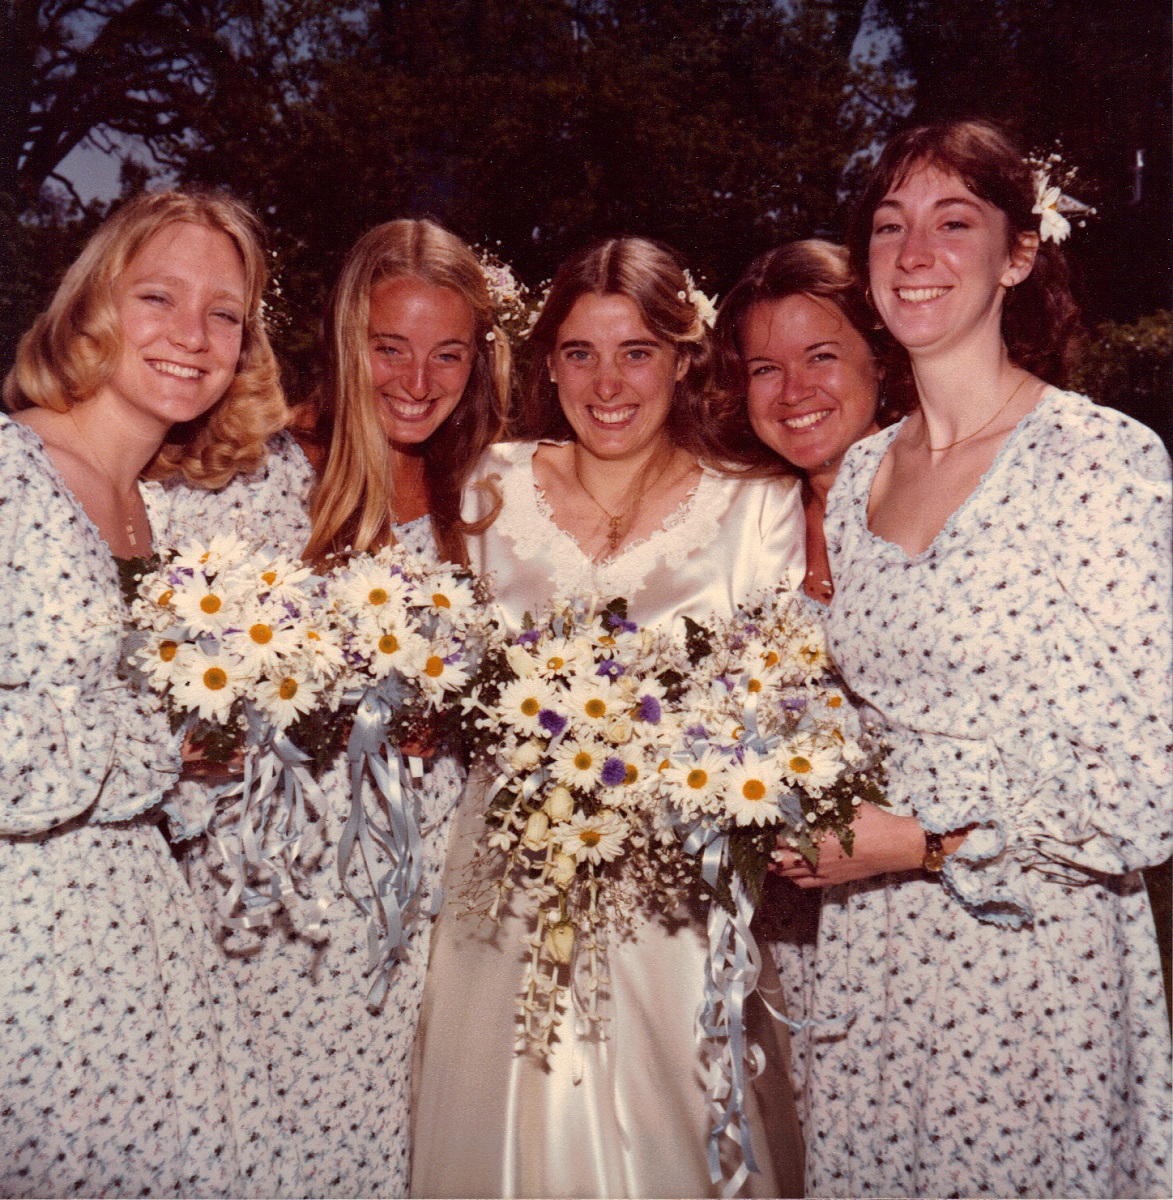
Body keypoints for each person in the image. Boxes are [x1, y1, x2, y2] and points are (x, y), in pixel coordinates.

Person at [772, 119, 1173, 1199]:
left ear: (1019, 254)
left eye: (955, 223)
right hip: (871, 961)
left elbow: (1145, 788)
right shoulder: (858, 477)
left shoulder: (1099, 462)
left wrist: (924, 843)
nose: (915, 254)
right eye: (889, 226)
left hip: (1030, 963)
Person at [410, 236, 807, 1199]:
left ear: (683, 359)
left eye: (636, 352)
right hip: (503, 894)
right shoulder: (485, 486)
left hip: (672, 902)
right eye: (580, 354)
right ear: (548, 366)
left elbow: (783, 699)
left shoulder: (757, 504)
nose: (607, 384)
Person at [169, 217, 511, 1197]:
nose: (418, 380)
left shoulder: (480, 493)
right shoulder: (258, 474)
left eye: (447, 354)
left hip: (422, 897)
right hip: (281, 897)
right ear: (343, 338)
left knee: (383, 1152)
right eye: (388, 347)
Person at [0, 189, 300, 1196]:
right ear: (93, 303)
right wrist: (156, 745)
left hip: (143, 944)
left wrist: (202, 760)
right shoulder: (12, 474)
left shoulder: (147, 510)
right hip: (30, 956)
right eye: (159, 297)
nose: (193, 336)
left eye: (225, 313)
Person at [711, 237, 915, 1112]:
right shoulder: (737, 521)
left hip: (919, 901)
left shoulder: (940, 506)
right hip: (782, 925)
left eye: (821, 356)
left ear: (881, 360)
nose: (793, 391)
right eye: (765, 368)